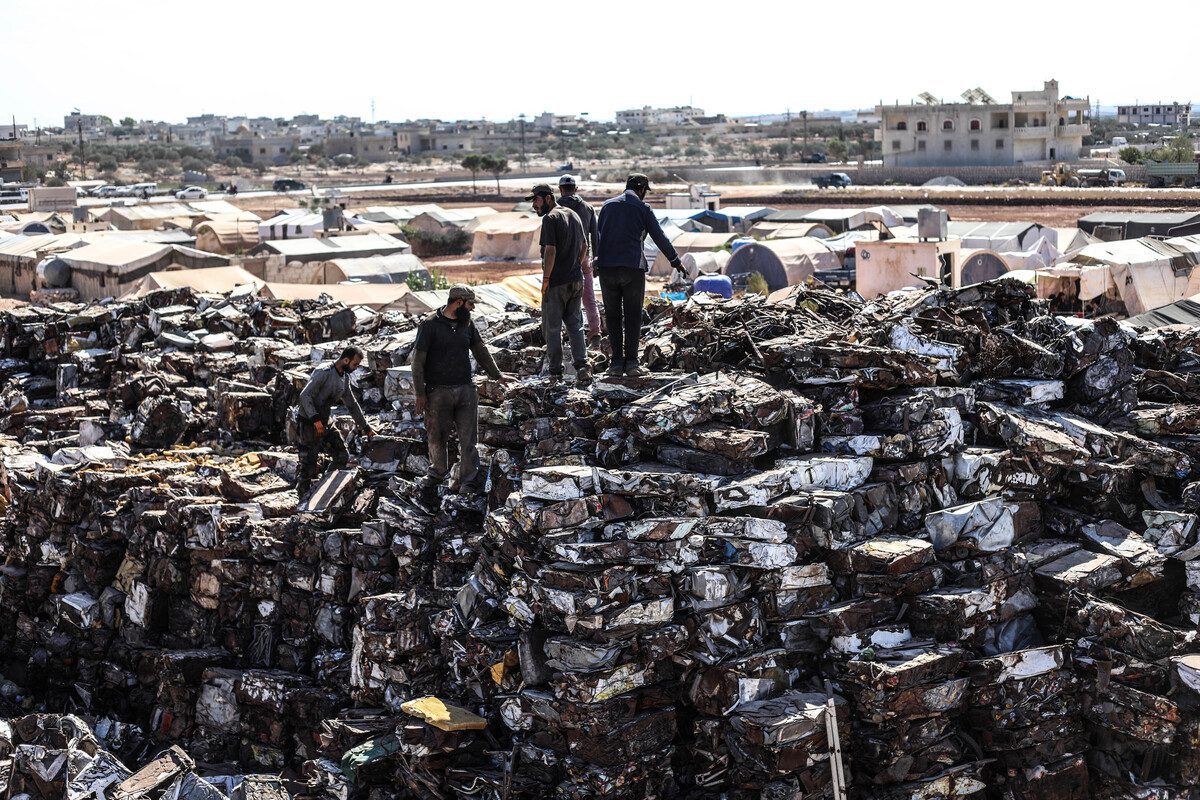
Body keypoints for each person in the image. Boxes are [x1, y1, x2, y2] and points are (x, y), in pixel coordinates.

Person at [411, 285, 505, 494]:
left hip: (465, 391)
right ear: (459, 302)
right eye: (470, 303)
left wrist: (497, 375)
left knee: (469, 439)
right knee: (437, 436)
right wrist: (420, 394)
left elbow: (480, 349)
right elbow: (417, 363)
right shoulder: (429, 325)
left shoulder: (467, 324)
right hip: (437, 393)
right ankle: (437, 474)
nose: (472, 308)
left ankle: (468, 482)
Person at [595, 173, 684, 377]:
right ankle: (632, 364)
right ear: (642, 189)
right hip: (632, 269)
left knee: (613, 316)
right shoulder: (643, 208)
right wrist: (675, 261)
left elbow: (599, 235)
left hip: (607, 269)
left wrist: (597, 261)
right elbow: (658, 236)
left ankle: (616, 364)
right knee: (633, 316)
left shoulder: (607, 206)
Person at [526, 183, 591, 387]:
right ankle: (582, 368)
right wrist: (576, 266)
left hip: (556, 283)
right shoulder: (573, 215)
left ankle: (555, 373)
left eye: (536, 200)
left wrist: (546, 280)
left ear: (547, 198)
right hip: (576, 280)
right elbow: (585, 246)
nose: (534, 205)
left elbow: (550, 251)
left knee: (551, 328)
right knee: (575, 326)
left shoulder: (550, 218)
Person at [295, 345, 375, 497]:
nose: (355, 368)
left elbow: (352, 404)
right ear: (346, 360)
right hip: (308, 423)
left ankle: (323, 491)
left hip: (325, 422)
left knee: (341, 456)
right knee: (308, 466)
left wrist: (366, 427)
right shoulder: (323, 372)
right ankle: (303, 501)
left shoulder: (344, 379)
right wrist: (315, 420)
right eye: (354, 364)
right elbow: (305, 396)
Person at [555, 174, 602, 347]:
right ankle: (595, 334)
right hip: (584, 259)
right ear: (575, 188)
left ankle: (560, 336)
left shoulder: (556, 208)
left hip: (561, 261)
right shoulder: (588, 208)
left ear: (560, 190)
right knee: (588, 298)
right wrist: (596, 261)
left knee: (558, 299)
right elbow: (595, 238)